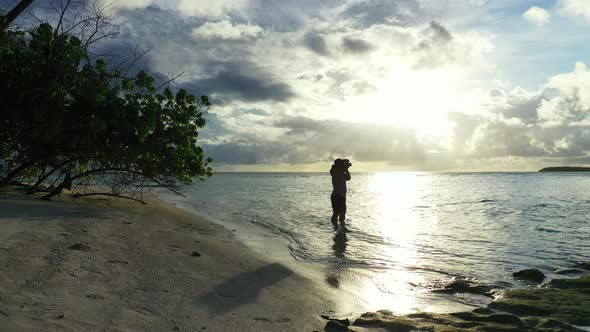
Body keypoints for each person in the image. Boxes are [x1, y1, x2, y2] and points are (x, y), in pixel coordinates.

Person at [330, 158, 351, 227]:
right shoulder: (338, 171)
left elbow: (348, 178)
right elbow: (348, 177)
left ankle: (336, 228)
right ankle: (341, 229)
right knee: (340, 213)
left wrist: (347, 168)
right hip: (339, 195)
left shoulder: (337, 171)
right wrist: (347, 167)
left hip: (338, 195)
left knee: (337, 213)